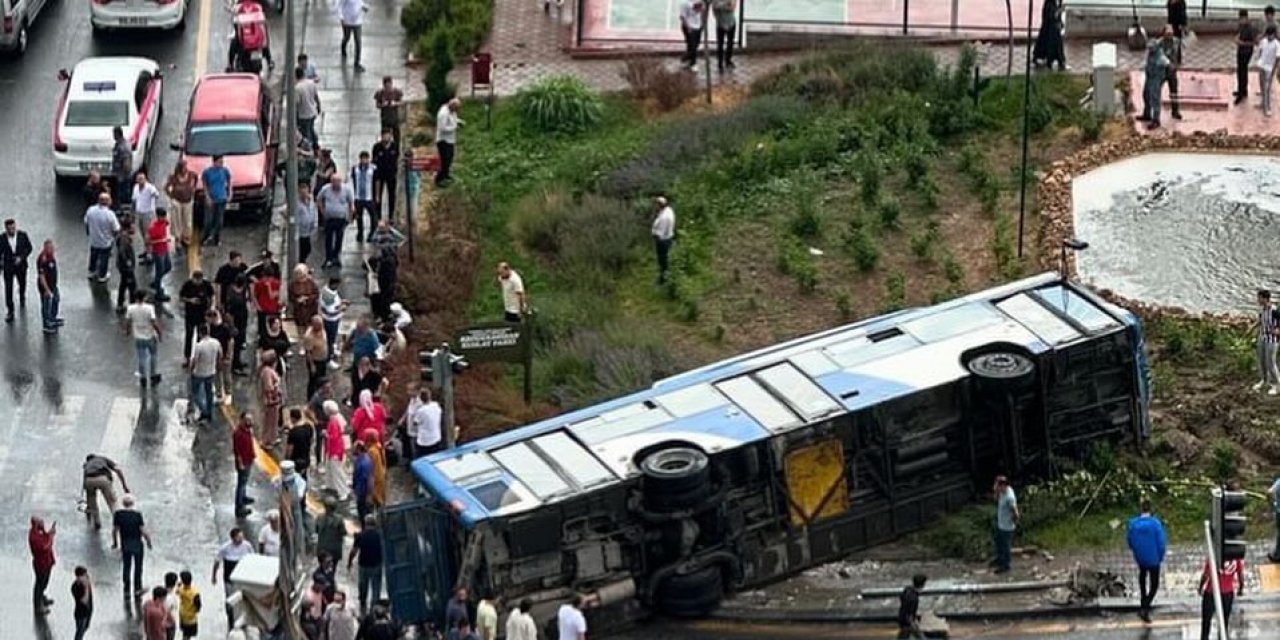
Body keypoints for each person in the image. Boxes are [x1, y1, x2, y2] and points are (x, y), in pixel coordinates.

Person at [1127, 498, 1168, 623]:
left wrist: (1136, 552)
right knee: (1154, 584)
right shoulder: (1155, 524)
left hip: (1141, 558)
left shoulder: (1133, 524)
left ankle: (1143, 598)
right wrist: (1160, 556)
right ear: (1151, 509)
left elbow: (1130, 541)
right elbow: (1161, 543)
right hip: (1154, 558)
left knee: (1142, 577)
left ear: (1140, 509)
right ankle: (1145, 606)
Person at [112, 494, 152, 596]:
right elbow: (143, 530)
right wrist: (148, 541)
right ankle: (137, 588)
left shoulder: (118, 514)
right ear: (133, 503)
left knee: (126, 566)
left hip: (125, 544)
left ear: (123, 503)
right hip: (137, 544)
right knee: (138, 567)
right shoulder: (137, 515)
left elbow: (115, 530)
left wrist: (115, 543)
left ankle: (126, 589)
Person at [124, 290, 164, 388]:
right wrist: (159, 333)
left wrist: (127, 331)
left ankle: (143, 377)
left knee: (141, 357)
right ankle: (153, 374)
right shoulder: (149, 308)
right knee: (153, 356)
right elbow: (154, 322)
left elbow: (128, 321)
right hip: (150, 335)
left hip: (138, 336)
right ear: (144, 297)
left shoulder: (131, 308)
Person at [1199, 557, 1244, 640]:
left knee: (1206, 622)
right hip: (1227, 593)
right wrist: (1240, 589)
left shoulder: (1214, 556)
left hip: (1211, 592)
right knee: (1224, 623)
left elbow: (1205, 575)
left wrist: (1200, 587)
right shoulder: (1236, 559)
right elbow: (1240, 575)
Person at [82, 453, 130, 530]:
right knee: (112, 503)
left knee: (92, 502)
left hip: (89, 480)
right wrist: (124, 486)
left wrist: (88, 509)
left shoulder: (87, 465)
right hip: (103, 478)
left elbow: (84, 483)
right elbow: (118, 470)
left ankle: (97, 522)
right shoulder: (102, 459)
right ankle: (118, 521)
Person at [347, 515, 383, 613]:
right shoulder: (380, 535)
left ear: (365, 523)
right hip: (376, 565)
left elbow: (354, 551)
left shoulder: (360, 535)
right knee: (376, 588)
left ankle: (363, 605)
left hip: (363, 565)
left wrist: (349, 562)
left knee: (363, 586)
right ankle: (374, 609)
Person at [319, 173, 355, 268]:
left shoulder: (346, 190)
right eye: (334, 182)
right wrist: (323, 211)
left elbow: (351, 203)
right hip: (329, 218)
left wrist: (350, 216)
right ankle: (328, 258)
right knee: (328, 239)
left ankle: (336, 257)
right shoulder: (326, 189)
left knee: (339, 238)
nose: (336, 185)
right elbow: (319, 199)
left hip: (341, 218)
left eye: (338, 182)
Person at [0, 217, 32, 323]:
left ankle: (22, 295)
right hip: (8, 266)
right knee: (8, 287)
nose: (12, 231)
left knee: (22, 282)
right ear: (6, 229)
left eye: (13, 228)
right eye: (10, 229)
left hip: (21, 265)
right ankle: (10, 310)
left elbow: (29, 248)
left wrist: (21, 257)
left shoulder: (23, 235)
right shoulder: (2, 238)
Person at [85, 191, 120, 282]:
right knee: (104, 258)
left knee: (94, 255)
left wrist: (89, 233)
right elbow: (116, 229)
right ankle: (102, 275)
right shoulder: (110, 214)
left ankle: (92, 271)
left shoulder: (91, 210)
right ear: (107, 202)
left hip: (94, 239)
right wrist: (114, 237)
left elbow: (86, 222)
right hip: (105, 241)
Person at [180, 270, 215, 361]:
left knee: (201, 336)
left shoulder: (206, 284)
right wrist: (190, 300)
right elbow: (181, 297)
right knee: (189, 335)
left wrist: (211, 307)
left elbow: (212, 295)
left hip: (202, 314)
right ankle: (187, 356)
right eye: (196, 280)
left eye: (199, 280)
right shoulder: (187, 285)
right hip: (190, 314)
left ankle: (199, 355)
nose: (198, 282)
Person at [188, 325, 221, 422]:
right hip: (211, 372)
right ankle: (209, 412)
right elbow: (220, 354)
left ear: (200, 333)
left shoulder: (199, 346)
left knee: (195, 393)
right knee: (209, 393)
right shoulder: (216, 343)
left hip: (199, 373)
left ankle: (204, 410)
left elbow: (194, 361)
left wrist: (191, 370)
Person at [249, 250, 284, 338]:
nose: (265, 261)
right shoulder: (258, 269)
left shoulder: (276, 267)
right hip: (264, 302)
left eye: (267, 259)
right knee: (262, 321)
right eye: (264, 259)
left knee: (272, 320)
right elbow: (248, 275)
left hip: (270, 304)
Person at [164, 160, 197, 251]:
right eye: (184, 167)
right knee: (176, 220)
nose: (185, 169)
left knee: (187, 220)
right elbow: (166, 187)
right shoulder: (173, 177)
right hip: (177, 201)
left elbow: (196, 180)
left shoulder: (191, 175)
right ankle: (178, 239)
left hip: (187, 201)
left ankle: (186, 237)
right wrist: (171, 196)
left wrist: (193, 190)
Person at [201, 155, 233, 246]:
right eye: (220, 162)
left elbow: (229, 181)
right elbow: (205, 186)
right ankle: (205, 237)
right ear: (214, 162)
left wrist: (230, 192)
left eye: (222, 162)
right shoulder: (207, 172)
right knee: (208, 221)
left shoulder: (225, 171)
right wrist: (207, 197)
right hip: (211, 199)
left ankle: (217, 239)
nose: (221, 164)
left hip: (221, 199)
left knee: (219, 222)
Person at [322, 400, 351, 499]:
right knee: (331, 468)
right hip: (334, 449)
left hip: (335, 449)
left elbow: (333, 436)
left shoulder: (333, 421)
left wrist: (326, 434)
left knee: (337, 471)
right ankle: (331, 485)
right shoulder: (335, 419)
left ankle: (343, 491)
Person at [207, 308, 237, 404]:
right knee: (216, 375)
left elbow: (230, 342)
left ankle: (228, 394)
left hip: (225, 354)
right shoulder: (211, 327)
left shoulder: (225, 328)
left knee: (226, 375)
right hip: (215, 355)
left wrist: (228, 355)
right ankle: (219, 393)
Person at [992, 475, 1019, 574]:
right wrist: (996, 491)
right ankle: (999, 559)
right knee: (998, 543)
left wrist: (1013, 521)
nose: (996, 487)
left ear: (1002, 485)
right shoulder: (1002, 492)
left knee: (1005, 546)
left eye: (997, 485)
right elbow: (995, 499)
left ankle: (1006, 565)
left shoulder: (1009, 497)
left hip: (1007, 527)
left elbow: (1015, 512)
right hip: (1000, 524)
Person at [225, 275, 251, 375]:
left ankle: (238, 361)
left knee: (240, 341)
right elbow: (228, 309)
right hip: (235, 318)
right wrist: (231, 324)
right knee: (235, 342)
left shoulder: (244, 289)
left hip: (243, 317)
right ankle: (234, 365)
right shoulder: (231, 290)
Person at [29, 516, 56, 613]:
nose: (43, 524)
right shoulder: (34, 537)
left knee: (44, 582)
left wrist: (49, 533)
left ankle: (41, 597)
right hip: (41, 564)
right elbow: (45, 546)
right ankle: (38, 605)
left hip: (46, 562)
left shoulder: (39, 532)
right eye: (41, 522)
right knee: (40, 584)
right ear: (36, 524)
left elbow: (46, 539)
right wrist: (51, 536)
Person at [372, 129, 399, 223]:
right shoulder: (377, 147)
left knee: (392, 195)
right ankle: (378, 216)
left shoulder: (394, 147)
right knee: (377, 196)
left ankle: (391, 216)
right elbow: (374, 162)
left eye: (387, 135)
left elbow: (397, 159)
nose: (386, 137)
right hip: (380, 175)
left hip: (391, 175)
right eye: (384, 135)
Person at [1255, 289, 1280, 394]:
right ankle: (1264, 380)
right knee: (1262, 361)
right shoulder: (1262, 310)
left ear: (1265, 298)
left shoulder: (1274, 311)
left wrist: (1278, 330)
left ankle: (1277, 384)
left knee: (1270, 362)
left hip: (1272, 340)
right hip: (1262, 338)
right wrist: (1251, 329)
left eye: (1259, 298)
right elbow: (1260, 321)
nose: (1258, 300)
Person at [147, 208, 174, 301]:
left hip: (165, 249)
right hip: (158, 251)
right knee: (159, 271)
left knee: (168, 267)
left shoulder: (164, 222)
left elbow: (167, 223)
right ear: (158, 216)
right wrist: (161, 240)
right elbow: (149, 241)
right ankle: (158, 293)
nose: (163, 218)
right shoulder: (152, 228)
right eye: (162, 217)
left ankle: (156, 282)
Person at [133, 172, 161, 263]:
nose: (140, 181)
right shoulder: (136, 188)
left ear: (145, 179)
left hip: (148, 214)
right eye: (139, 179)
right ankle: (147, 249)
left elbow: (156, 194)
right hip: (139, 213)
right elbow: (134, 200)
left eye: (142, 179)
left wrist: (153, 194)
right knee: (142, 232)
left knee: (148, 234)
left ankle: (150, 253)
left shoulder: (150, 187)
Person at [233, 412, 257, 517]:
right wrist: (240, 463)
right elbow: (237, 451)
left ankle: (243, 497)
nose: (250, 422)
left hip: (249, 459)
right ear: (242, 420)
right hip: (244, 462)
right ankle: (239, 507)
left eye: (251, 420)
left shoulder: (248, 431)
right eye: (247, 420)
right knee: (241, 484)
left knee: (244, 481)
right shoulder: (238, 433)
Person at [435, 98, 463, 187]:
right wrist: (454, 127)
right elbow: (442, 128)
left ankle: (446, 175)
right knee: (444, 160)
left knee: (450, 158)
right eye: (456, 109)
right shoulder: (443, 114)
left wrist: (459, 122)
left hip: (450, 140)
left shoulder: (451, 111)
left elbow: (453, 119)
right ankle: (439, 179)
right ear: (452, 106)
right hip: (443, 140)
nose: (456, 111)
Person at [351, 151, 377, 242]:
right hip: (358, 197)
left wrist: (376, 195)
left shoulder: (373, 168)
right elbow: (353, 181)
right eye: (362, 159)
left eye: (366, 158)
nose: (364, 160)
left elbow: (376, 182)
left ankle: (372, 233)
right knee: (359, 217)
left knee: (373, 216)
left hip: (369, 197)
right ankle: (360, 233)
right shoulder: (355, 169)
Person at [259, 350, 284, 446]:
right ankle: (267, 440)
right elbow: (269, 387)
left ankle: (272, 437)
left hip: (272, 399)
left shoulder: (266, 370)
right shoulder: (267, 372)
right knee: (270, 420)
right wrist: (273, 398)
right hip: (271, 400)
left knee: (273, 420)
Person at [36, 239, 60, 334]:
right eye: (50, 248)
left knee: (56, 300)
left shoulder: (51, 256)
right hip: (46, 287)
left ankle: (52, 318)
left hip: (53, 285)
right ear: (45, 248)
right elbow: (41, 276)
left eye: (52, 247)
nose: (52, 249)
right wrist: (46, 290)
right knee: (46, 305)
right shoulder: (43, 259)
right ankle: (46, 324)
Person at [1032, 0, 1065, 70]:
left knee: (1055, 42)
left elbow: (1056, 14)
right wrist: (1058, 12)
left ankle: (1058, 61)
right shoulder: (1050, 3)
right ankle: (1053, 60)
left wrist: (1059, 21)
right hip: (1050, 27)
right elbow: (1050, 15)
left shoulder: (1057, 2)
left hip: (1054, 27)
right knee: (1050, 42)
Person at [295, 66, 322, 151]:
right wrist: (318, 106)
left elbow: (297, 103)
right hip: (312, 111)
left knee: (306, 134)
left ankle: (310, 149)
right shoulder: (311, 83)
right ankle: (316, 145)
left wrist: (295, 117)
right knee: (310, 128)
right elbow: (316, 96)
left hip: (303, 114)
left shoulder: (297, 88)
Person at [412, 388, 443, 458]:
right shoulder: (436, 405)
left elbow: (415, 422)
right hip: (436, 438)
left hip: (424, 441)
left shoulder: (421, 411)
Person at [651, 196, 676, 285]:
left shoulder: (664, 217)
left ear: (660, 205)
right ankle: (666, 277)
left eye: (656, 204)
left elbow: (660, 233)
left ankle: (663, 280)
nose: (655, 206)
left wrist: (655, 237)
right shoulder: (668, 211)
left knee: (663, 261)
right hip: (668, 238)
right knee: (666, 260)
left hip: (663, 241)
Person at [304, 315, 330, 398]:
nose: (321, 326)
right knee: (313, 381)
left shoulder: (322, 330)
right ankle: (311, 398)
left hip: (323, 359)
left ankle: (322, 396)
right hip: (315, 361)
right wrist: (312, 366)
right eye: (319, 324)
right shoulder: (309, 336)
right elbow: (308, 352)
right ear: (314, 325)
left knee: (322, 379)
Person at [1237, 10, 1259, 105]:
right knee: (1239, 70)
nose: (1240, 21)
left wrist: (1243, 43)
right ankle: (1241, 90)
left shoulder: (1251, 28)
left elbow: (1255, 42)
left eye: (1242, 19)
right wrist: (1237, 39)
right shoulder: (1241, 26)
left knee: (1243, 71)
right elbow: (1239, 35)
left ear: (1246, 18)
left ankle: (1242, 93)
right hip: (1240, 50)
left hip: (1247, 52)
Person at [337, 0, 366, 71]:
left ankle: (357, 63)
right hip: (347, 21)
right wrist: (341, 18)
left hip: (357, 22)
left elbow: (360, 2)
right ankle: (343, 47)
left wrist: (363, 7)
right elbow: (339, 6)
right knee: (347, 37)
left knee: (358, 42)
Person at [290, 263, 320, 332]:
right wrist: (297, 300)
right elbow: (291, 297)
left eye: (301, 274)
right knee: (300, 331)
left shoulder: (311, 283)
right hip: (299, 312)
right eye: (297, 274)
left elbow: (316, 294)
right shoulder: (292, 285)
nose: (299, 277)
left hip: (310, 311)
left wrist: (307, 298)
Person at [116, 222, 138, 313]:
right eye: (133, 227)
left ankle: (120, 303)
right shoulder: (124, 239)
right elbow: (122, 251)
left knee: (124, 284)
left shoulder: (123, 237)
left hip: (123, 266)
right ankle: (133, 305)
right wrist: (127, 262)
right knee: (132, 286)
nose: (134, 229)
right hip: (126, 268)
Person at [374, 77, 404, 143]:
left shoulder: (397, 92)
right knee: (385, 136)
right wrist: (383, 105)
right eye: (386, 86)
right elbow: (377, 105)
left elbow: (401, 102)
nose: (388, 87)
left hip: (394, 117)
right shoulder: (380, 93)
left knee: (396, 136)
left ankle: (396, 148)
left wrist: (395, 103)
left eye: (389, 85)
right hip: (385, 118)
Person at [896, 574, 926, 639]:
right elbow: (910, 615)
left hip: (901, 617)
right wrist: (915, 625)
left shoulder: (907, 590)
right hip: (907, 623)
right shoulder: (914, 598)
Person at [1259, 25, 1280, 116]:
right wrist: (1259, 61)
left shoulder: (1277, 44)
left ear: (1274, 35)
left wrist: (1273, 71)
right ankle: (1263, 103)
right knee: (1262, 87)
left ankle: (1267, 108)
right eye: (1268, 35)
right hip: (1262, 66)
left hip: (1269, 69)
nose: (1269, 37)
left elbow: (1277, 58)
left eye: (1270, 35)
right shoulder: (1263, 41)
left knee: (1267, 88)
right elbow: (1260, 51)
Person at [175, 570, 201, 639]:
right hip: (191, 618)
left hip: (183, 615)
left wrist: (178, 585)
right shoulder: (195, 593)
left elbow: (176, 591)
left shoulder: (181, 590)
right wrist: (196, 610)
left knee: (185, 632)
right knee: (188, 634)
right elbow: (198, 605)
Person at [111, 126, 133, 208]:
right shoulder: (119, 144)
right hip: (120, 174)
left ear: (117, 134)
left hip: (123, 176)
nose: (113, 136)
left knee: (123, 194)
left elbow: (126, 164)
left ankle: (125, 209)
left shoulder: (123, 147)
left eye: (114, 134)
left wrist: (122, 176)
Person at [679, 0, 704, 69]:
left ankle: (687, 57)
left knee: (696, 45)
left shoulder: (700, 1)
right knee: (692, 45)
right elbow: (682, 17)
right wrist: (688, 27)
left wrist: (702, 24)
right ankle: (693, 63)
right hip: (689, 26)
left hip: (698, 26)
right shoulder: (684, 3)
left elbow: (702, 12)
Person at [711, 0, 736, 72]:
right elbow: (714, 10)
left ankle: (728, 61)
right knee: (720, 44)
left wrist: (720, 7)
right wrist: (725, 5)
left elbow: (732, 8)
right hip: (720, 24)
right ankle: (720, 64)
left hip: (731, 23)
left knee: (730, 43)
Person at [297, 184, 318, 264]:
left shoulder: (310, 201)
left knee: (308, 249)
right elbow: (284, 211)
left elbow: (313, 211)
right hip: (301, 231)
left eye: (305, 192)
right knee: (303, 249)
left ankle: (303, 261)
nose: (304, 194)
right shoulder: (297, 203)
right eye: (302, 193)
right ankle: (301, 262)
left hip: (309, 230)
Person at [71, 566, 93, 640]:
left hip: (87, 612)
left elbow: (90, 600)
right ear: (78, 577)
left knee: (84, 629)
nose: (86, 577)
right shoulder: (75, 587)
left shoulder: (86, 583)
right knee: (79, 633)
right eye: (84, 575)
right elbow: (84, 600)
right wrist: (86, 587)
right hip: (80, 614)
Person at [164, 572, 180, 640]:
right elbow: (167, 611)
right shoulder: (170, 598)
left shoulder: (162, 593)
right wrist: (173, 621)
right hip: (169, 624)